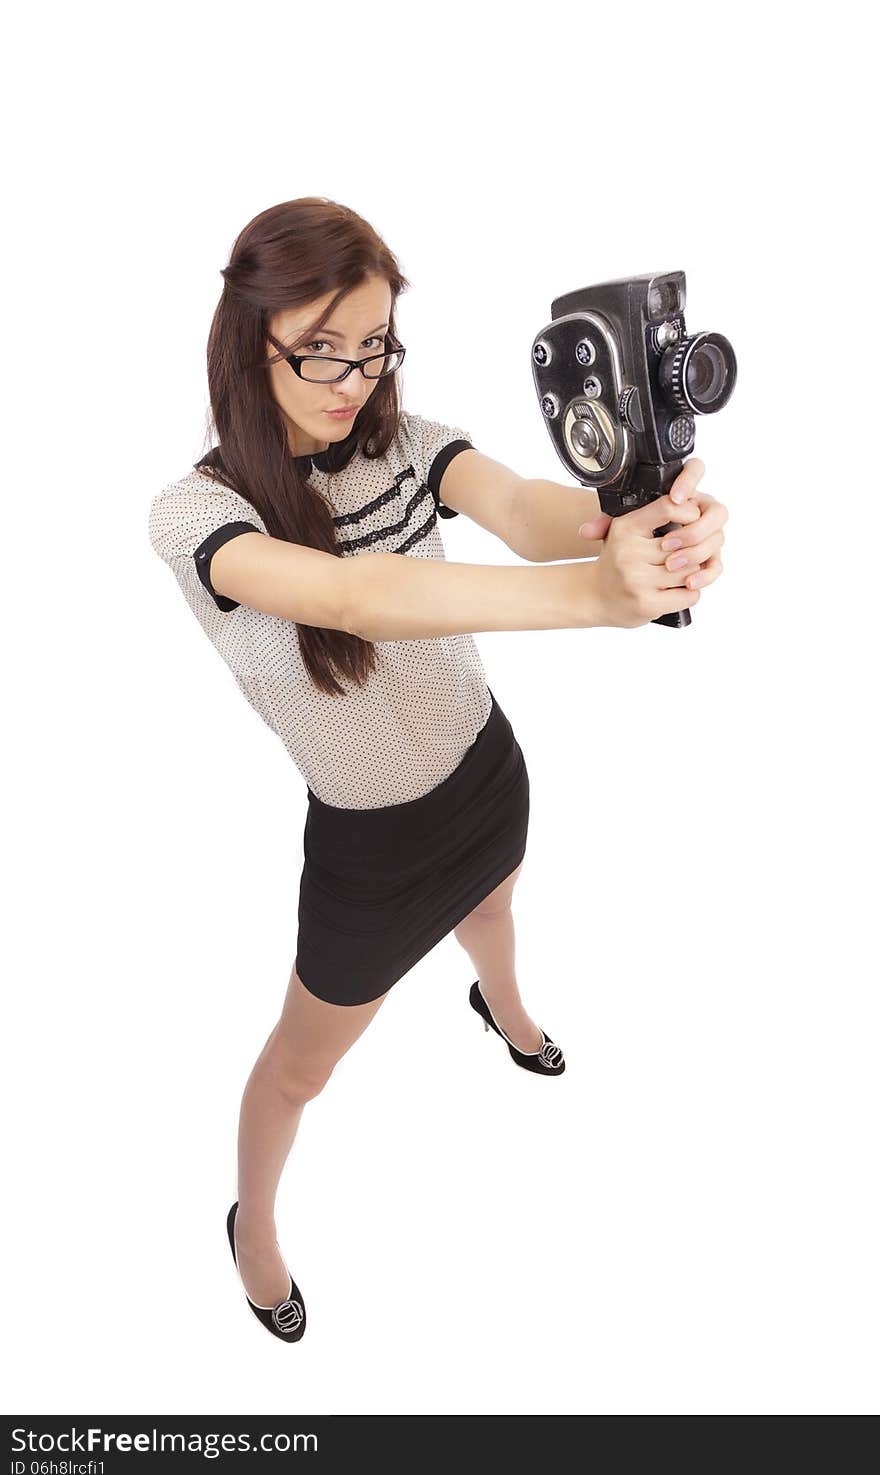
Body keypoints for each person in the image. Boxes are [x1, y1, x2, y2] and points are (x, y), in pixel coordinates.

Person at [148, 197, 728, 1343]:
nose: (349, 377)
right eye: (318, 347)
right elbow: (357, 598)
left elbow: (519, 510)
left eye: (372, 347)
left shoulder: (409, 447)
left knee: (499, 905)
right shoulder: (194, 516)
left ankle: (505, 1013)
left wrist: (648, 513)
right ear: (246, 335)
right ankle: (252, 1229)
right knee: (298, 1075)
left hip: (485, 773)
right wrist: (590, 600)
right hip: (367, 849)